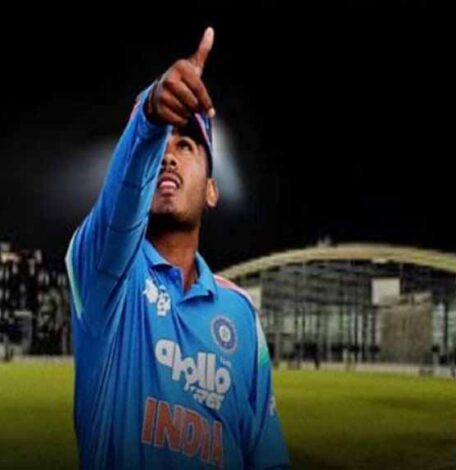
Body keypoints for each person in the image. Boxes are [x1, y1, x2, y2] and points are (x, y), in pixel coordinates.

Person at [66, 27, 289, 469]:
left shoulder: (240, 314)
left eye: (185, 145)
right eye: (159, 150)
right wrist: (151, 115)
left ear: (211, 190)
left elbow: (266, 457)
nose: (168, 157)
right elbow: (120, 205)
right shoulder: (106, 277)